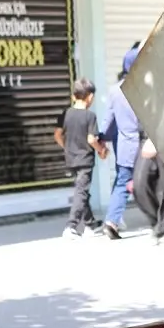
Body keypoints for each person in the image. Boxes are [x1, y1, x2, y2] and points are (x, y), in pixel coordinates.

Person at [100, 46, 147, 240]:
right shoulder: (145, 87)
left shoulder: (115, 91)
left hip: (126, 146)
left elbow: (108, 120)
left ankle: (112, 221)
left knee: (121, 182)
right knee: (154, 180)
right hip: (146, 144)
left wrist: (101, 138)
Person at [56, 78, 108, 239]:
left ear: (73, 96)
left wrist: (66, 147)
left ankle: (90, 224)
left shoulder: (65, 114)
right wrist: (102, 151)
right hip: (85, 160)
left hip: (70, 158)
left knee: (81, 191)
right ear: (90, 97)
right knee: (81, 192)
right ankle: (71, 226)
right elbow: (92, 139)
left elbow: (57, 134)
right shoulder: (90, 116)